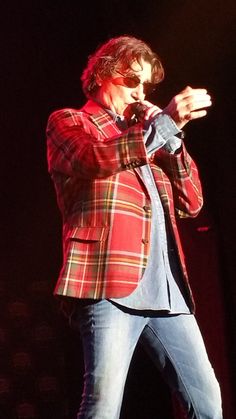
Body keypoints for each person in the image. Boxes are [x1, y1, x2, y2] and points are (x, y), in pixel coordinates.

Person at [46, 35, 222, 418]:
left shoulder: (149, 133)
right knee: (103, 405)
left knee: (208, 403)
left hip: (167, 291)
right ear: (103, 74)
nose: (139, 92)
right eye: (130, 80)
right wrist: (162, 126)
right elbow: (93, 159)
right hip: (108, 283)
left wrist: (172, 140)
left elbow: (192, 202)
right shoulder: (70, 122)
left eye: (144, 84)